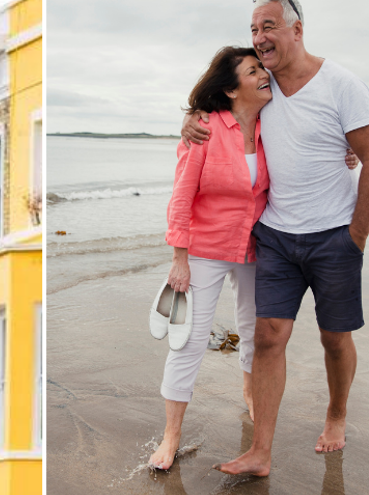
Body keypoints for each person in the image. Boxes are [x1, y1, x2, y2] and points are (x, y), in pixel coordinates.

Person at [181, 0, 369, 477]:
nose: (260, 38)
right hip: (274, 234)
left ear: (297, 29)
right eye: (254, 29)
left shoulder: (342, 85)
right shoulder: (261, 86)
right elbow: (217, 103)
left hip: (335, 236)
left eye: (268, 26)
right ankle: (261, 453)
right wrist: (191, 119)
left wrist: (356, 237)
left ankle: (336, 415)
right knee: (269, 337)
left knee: (335, 339)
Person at [148, 46, 271, 471]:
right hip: (205, 249)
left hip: (256, 248)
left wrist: (346, 154)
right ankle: (171, 436)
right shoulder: (204, 129)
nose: (263, 75)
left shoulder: (274, 124)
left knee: (256, 334)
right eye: (253, 71)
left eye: (261, 68)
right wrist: (179, 257)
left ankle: (251, 395)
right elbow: (182, 196)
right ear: (232, 90)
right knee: (190, 341)